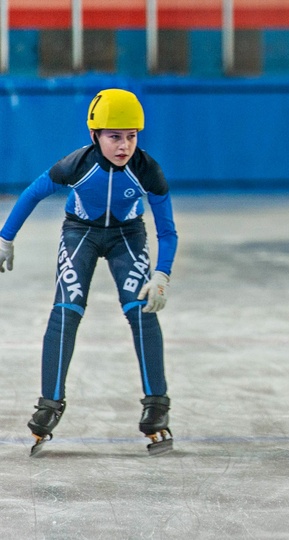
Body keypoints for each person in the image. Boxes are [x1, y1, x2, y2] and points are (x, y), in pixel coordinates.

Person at [0, 88, 178, 456]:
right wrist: (5, 237)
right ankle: (49, 404)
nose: (124, 145)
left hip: (128, 237)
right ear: (95, 135)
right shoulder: (77, 165)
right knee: (66, 312)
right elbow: (34, 192)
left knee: (141, 311)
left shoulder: (148, 171)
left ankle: (157, 404)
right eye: (114, 136)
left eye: (131, 136)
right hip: (80, 232)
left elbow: (167, 230)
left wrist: (162, 274)